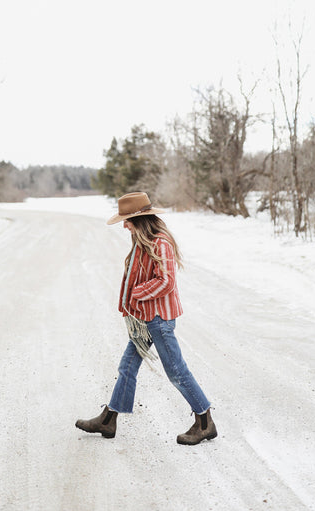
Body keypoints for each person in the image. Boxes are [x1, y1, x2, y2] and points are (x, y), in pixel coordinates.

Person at [75, 191, 217, 446]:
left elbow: (166, 281)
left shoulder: (160, 243)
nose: (124, 225)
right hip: (145, 319)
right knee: (127, 367)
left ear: (140, 219)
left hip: (159, 320)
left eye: (127, 220)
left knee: (176, 371)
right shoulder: (142, 243)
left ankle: (205, 422)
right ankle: (109, 419)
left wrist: (136, 294)